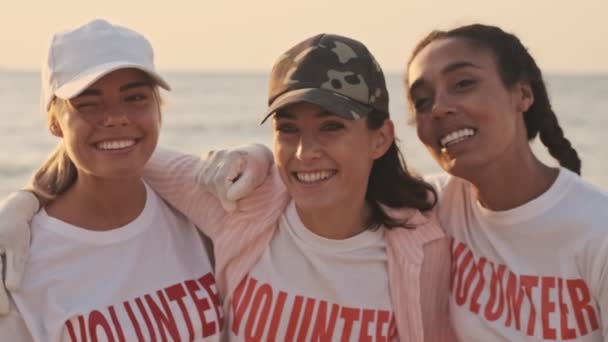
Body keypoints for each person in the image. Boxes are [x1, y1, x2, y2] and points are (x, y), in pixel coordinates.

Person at [0, 33, 456, 341]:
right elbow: (115, 152)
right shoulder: (245, 206)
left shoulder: (425, 239)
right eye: (287, 129)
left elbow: (125, 144)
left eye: (332, 127)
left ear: (381, 137)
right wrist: (26, 201)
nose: (304, 152)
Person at [0, 19, 229, 341]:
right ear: (54, 122)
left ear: (159, 108)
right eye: (89, 104)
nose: (117, 117)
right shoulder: (19, 263)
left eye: (134, 98)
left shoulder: (198, 214)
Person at [405, 24, 608, 340]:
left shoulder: (598, 230)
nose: (439, 108)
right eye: (422, 100)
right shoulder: (430, 208)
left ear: (523, 94)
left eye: (463, 83)